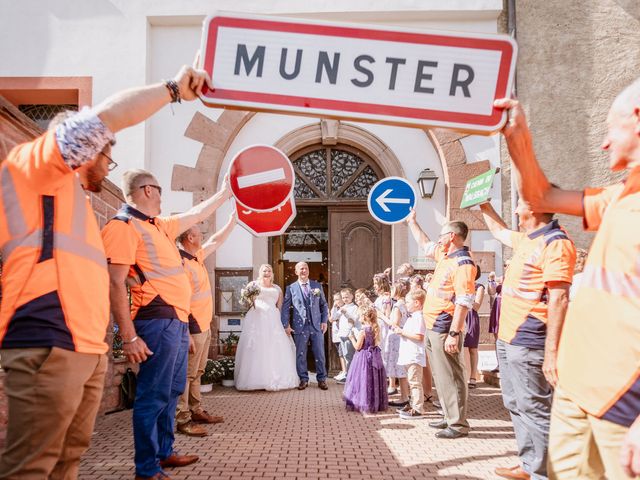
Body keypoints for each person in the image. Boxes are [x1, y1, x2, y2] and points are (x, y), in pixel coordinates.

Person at [0, 64, 209, 479]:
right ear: (82, 149)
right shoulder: (37, 166)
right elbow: (103, 119)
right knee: (33, 466)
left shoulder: (71, 198)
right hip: (48, 338)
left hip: (84, 346)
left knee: (67, 458)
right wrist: (171, 90)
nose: (106, 165)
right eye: (106, 156)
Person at [494, 83, 640, 479]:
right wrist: (519, 140)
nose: (605, 144)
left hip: (624, 402)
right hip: (579, 392)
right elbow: (541, 196)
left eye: (612, 129)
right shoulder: (622, 193)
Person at [101, 167, 231, 479]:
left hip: (174, 322)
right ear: (147, 190)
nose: (162, 196)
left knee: (172, 390)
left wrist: (225, 193)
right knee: (152, 394)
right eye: (159, 190)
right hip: (154, 321)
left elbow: (197, 212)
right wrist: (129, 337)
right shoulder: (123, 226)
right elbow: (116, 283)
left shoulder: (159, 225)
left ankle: (164, 452)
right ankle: (146, 468)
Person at [479, 201, 576, 480]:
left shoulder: (555, 243)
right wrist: (483, 205)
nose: (517, 208)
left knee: (535, 407)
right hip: (509, 337)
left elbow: (560, 298)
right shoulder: (527, 239)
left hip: (530, 337)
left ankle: (547, 473)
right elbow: (498, 232)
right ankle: (530, 464)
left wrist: (552, 352)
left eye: (521, 204)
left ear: (533, 208)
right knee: (515, 402)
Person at [407, 210, 476, 439]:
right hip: (434, 324)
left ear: (453, 236)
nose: (439, 238)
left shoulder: (463, 263)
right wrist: (412, 222)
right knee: (440, 374)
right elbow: (425, 243)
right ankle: (449, 416)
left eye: (442, 235)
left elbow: (465, 301)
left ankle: (457, 424)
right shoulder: (446, 257)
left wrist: (454, 333)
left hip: (445, 326)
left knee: (451, 375)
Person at [175, 216, 236, 437]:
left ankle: (196, 410)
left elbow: (216, 241)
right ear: (190, 237)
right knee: (186, 375)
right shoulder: (181, 263)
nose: (202, 236)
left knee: (197, 372)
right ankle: (182, 419)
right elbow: (181, 299)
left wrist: (232, 222)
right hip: (193, 328)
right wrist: (188, 330)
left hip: (204, 326)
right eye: (199, 233)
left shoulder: (196, 257)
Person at [234, 264, 299, 391]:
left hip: (273, 319)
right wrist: (250, 299)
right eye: (264, 270)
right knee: (257, 347)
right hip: (257, 317)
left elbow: (280, 308)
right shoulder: (253, 285)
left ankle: (276, 378)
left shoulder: (277, 289)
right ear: (260, 272)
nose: (267, 272)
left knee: (274, 347)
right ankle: (255, 379)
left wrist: (286, 324)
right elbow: (246, 302)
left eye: (269, 270)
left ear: (272, 273)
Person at [281, 262, 329, 391]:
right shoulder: (291, 288)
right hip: (299, 326)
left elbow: (324, 305)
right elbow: (285, 308)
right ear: (296, 272)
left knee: (319, 353)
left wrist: (324, 321)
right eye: (301, 269)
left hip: (316, 325)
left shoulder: (317, 286)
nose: (304, 271)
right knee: (300, 354)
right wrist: (286, 324)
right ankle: (303, 379)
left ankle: (322, 379)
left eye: (306, 268)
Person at [343, 307, 388, 414]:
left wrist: (351, 338)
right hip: (374, 355)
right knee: (373, 379)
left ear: (365, 317)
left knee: (362, 380)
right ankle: (374, 402)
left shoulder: (363, 331)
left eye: (360, 315)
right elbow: (376, 343)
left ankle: (362, 402)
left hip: (363, 357)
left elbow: (358, 347)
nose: (359, 317)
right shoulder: (376, 328)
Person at [394, 289, 428, 420]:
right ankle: (413, 404)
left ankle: (418, 408)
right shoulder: (413, 316)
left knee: (415, 382)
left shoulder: (419, 317)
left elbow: (419, 336)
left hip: (414, 355)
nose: (406, 304)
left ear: (417, 303)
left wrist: (401, 332)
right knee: (411, 381)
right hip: (409, 354)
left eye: (408, 302)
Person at [384, 280, 411, 408]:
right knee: (401, 368)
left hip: (397, 339)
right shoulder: (405, 304)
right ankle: (404, 395)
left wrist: (381, 316)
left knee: (399, 367)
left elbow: (394, 323)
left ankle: (404, 397)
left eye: (392, 289)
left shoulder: (397, 306)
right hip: (402, 338)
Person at [464, 267, 485, 390]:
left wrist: (464, 299)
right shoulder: (461, 285)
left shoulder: (479, 287)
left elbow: (476, 306)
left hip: (471, 316)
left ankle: (473, 376)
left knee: (472, 348)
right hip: (460, 315)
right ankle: (463, 375)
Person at [334, 288, 359, 383]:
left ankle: (351, 376)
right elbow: (334, 317)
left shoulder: (354, 308)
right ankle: (348, 374)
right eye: (343, 297)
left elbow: (354, 320)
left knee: (350, 356)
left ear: (352, 296)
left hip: (349, 335)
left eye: (347, 297)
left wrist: (346, 313)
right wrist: (334, 307)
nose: (345, 299)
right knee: (345, 356)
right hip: (342, 334)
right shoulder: (343, 307)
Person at [329, 292, 348, 381]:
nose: (335, 301)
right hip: (336, 333)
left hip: (343, 334)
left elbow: (334, 318)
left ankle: (345, 371)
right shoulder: (335, 308)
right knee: (340, 353)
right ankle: (343, 370)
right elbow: (331, 318)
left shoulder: (344, 308)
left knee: (343, 353)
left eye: (337, 299)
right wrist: (333, 306)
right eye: (334, 300)